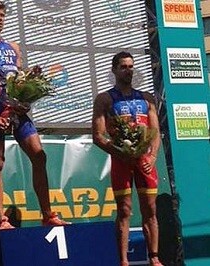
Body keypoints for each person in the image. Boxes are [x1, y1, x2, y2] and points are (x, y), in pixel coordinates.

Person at [0, 0, 69, 229]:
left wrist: (28, 92)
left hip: (17, 111)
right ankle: (1, 219)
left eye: (2, 14)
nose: (0, 18)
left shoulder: (13, 47)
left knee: (39, 156)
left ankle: (47, 214)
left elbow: (20, 80)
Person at [92, 51, 163, 266]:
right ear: (114, 70)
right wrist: (119, 151)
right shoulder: (105, 99)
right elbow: (98, 136)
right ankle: (123, 261)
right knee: (124, 210)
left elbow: (156, 132)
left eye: (131, 66)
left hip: (144, 161)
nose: (128, 71)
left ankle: (154, 258)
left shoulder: (146, 98)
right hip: (121, 160)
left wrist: (152, 157)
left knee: (150, 209)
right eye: (123, 67)